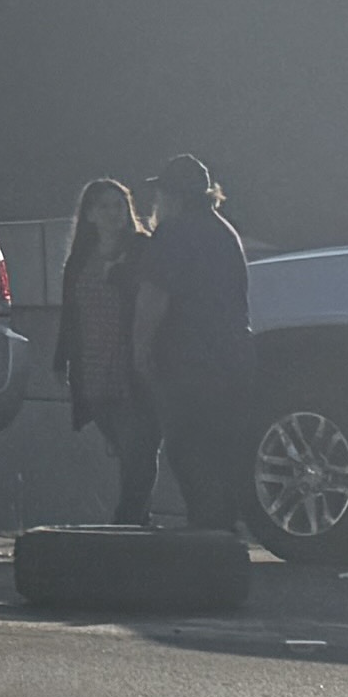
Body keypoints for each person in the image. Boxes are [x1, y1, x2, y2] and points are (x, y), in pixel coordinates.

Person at [135, 154, 260, 532]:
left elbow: (154, 297)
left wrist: (140, 348)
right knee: (223, 451)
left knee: (188, 448)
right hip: (233, 359)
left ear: (172, 196)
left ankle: (205, 533)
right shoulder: (225, 233)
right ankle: (223, 531)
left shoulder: (172, 234)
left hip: (186, 361)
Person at [55, 178, 161, 524]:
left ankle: (128, 520)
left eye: (119, 206)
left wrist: (120, 273)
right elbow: (70, 314)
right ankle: (136, 521)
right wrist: (61, 360)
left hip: (133, 368)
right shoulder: (80, 260)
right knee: (123, 446)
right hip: (93, 370)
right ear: (89, 214)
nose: (113, 213)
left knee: (139, 447)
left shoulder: (142, 249)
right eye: (104, 206)